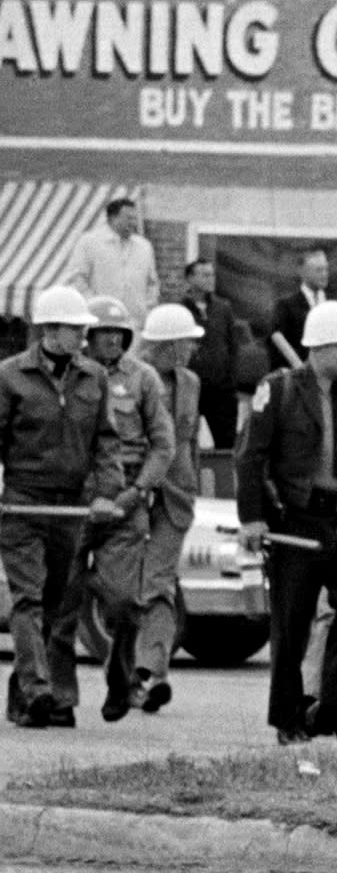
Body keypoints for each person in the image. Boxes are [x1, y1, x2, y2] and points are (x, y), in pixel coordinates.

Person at [236, 300, 337, 743]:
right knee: (291, 626)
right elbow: (250, 455)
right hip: (296, 520)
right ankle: (289, 719)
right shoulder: (281, 388)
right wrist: (252, 518)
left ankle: (332, 708)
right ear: (321, 347)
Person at [0, 287, 125, 729]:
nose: (83, 336)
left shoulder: (94, 378)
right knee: (28, 597)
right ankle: (37, 690)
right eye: (76, 329)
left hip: (70, 507)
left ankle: (22, 696)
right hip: (22, 504)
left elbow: (107, 442)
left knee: (53, 603)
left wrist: (107, 492)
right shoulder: (10, 376)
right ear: (50, 330)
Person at [81, 296, 174, 723]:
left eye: (119, 334)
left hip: (129, 494)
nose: (112, 341)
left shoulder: (144, 378)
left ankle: (122, 683)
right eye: (104, 334)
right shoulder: (75, 376)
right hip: (80, 494)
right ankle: (51, 696)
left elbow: (164, 444)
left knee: (124, 603)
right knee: (59, 605)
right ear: (88, 336)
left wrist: (138, 489)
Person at [116, 304, 208, 715]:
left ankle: (150, 671)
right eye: (186, 341)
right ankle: (137, 674)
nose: (191, 348)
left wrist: (194, 484)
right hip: (130, 491)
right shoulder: (126, 379)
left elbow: (188, 442)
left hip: (175, 497)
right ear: (165, 346)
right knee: (124, 587)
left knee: (158, 582)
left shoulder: (191, 382)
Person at [179, 258, 264, 453]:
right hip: (191, 389)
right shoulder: (180, 310)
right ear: (190, 278)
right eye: (205, 275)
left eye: (212, 274)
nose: (211, 279)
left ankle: (227, 483)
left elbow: (233, 346)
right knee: (186, 441)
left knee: (226, 443)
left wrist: (231, 379)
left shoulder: (223, 308)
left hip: (221, 389)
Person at [64, 196, 158, 318]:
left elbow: (152, 283)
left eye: (135, 218)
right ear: (113, 218)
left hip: (135, 322)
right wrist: (94, 306)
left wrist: (147, 308)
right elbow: (76, 279)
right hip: (99, 320)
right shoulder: (89, 241)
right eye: (128, 218)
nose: (133, 223)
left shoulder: (144, 247)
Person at [266, 247, 330, 373]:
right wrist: (299, 369)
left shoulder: (334, 304)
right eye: (318, 270)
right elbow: (275, 339)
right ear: (303, 272)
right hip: (299, 377)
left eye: (326, 269)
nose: (324, 274)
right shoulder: (286, 305)